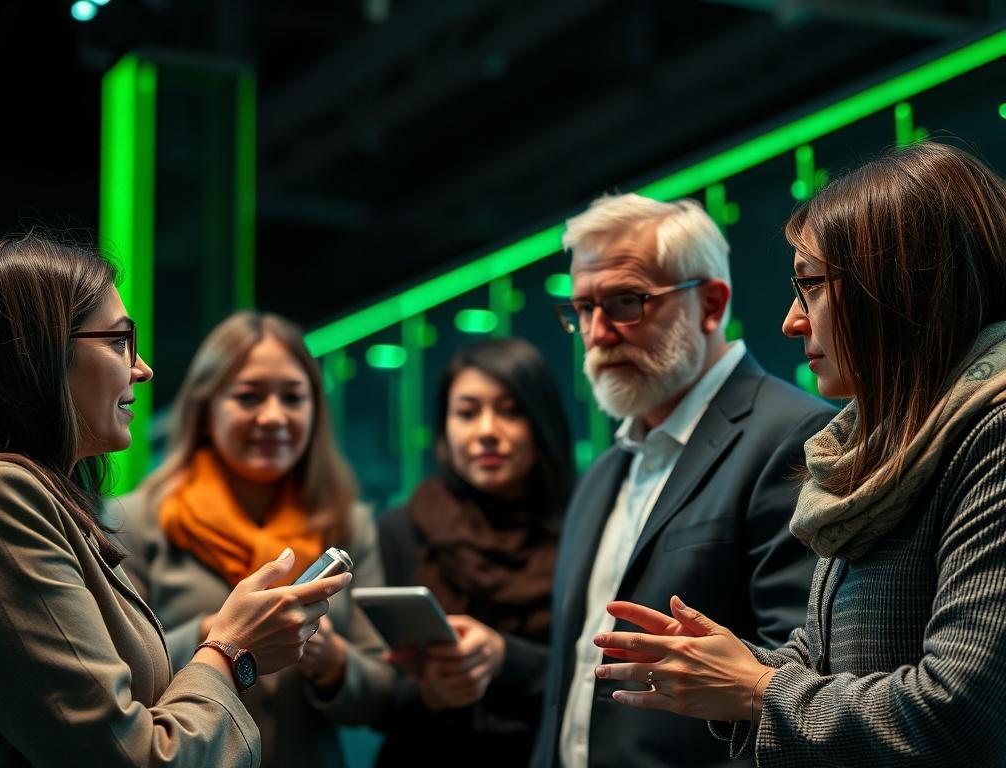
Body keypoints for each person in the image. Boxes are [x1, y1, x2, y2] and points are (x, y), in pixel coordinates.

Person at [591, 142, 1006, 766]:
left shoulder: (990, 431)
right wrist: (721, 665)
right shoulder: (883, 442)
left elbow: (964, 714)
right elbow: (829, 653)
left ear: (896, 284)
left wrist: (756, 688)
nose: (791, 320)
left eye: (809, 286)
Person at [0, 236, 348, 767]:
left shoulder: (48, 500)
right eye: (118, 342)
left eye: (294, 397)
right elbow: (131, 754)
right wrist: (230, 649)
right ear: (37, 353)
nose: (142, 368)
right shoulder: (3, 497)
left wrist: (337, 663)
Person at [531, 194, 836, 768]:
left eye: (625, 303)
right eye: (582, 309)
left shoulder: (793, 436)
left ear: (711, 304)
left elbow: (797, 682)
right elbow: (570, 680)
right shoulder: (601, 473)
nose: (597, 333)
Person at [108, 311, 393, 768]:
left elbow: (382, 691)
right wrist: (214, 637)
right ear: (205, 409)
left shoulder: (347, 524)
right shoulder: (137, 521)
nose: (274, 416)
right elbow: (117, 674)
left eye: (294, 397)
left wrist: (333, 661)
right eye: (248, 396)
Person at [375, 337, 575, 768]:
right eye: (467, 413)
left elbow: (601, 669)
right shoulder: (402, 528)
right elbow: (373, 686)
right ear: (444, 429)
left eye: (510, 411)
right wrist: (426, 691)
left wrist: (506, 656)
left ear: (541, 422)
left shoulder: (583, 525)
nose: (487, 431)